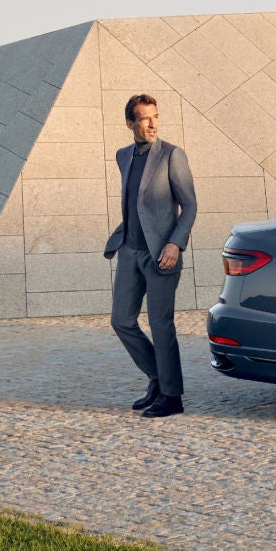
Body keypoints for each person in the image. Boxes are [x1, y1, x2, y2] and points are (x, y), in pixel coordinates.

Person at [104, 95, 197, 418]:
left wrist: (175, 244)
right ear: (130, 123)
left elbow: (190, 206)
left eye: (156, 116)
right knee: (121, 320)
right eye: (145, 119)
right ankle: (158, 378)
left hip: (162, 254)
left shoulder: (172, 155)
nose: (153, 123)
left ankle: (172, 397)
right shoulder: (123, 156)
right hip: (130, 251)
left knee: (161, 325)